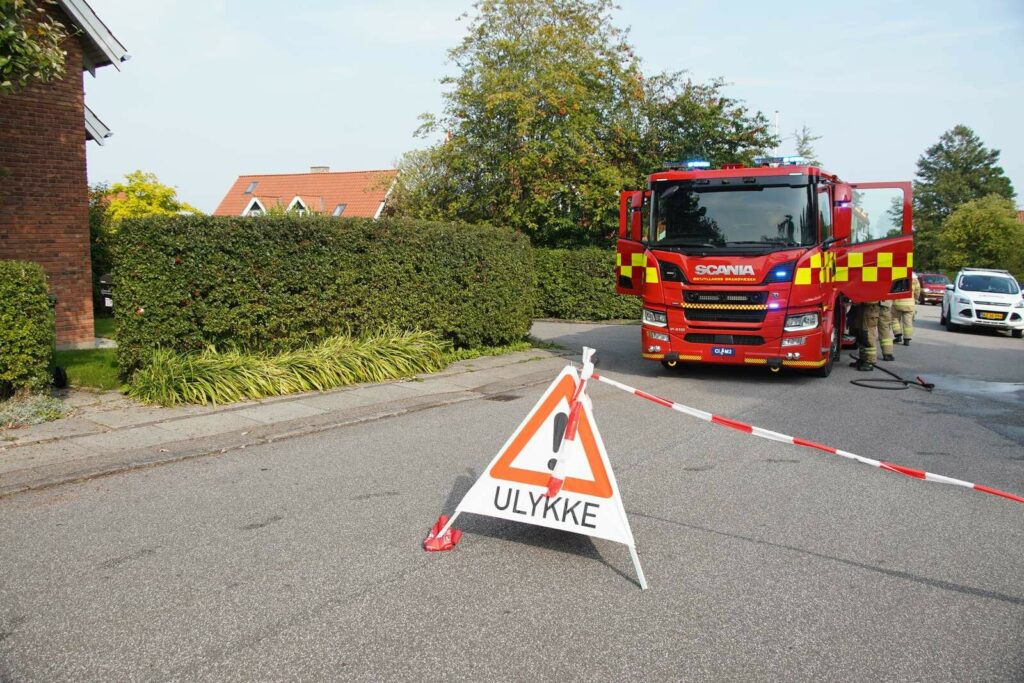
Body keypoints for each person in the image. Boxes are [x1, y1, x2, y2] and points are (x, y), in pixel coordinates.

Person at [849, 301, 880, 371]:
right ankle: (863, 359)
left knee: (868, 336)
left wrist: (859, 300)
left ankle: (870, 362)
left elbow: (874, 299)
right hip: (862, 309)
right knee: (861, 335)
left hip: (870, 310)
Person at [892, 275, 920, 345]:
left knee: (894, 319)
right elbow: (917, 292)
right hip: (909, 304)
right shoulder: (915, 280)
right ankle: (907, 340)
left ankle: (898, 335)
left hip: (897, 303)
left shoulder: (897, 277)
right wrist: (915, 299)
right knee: (908, 322)